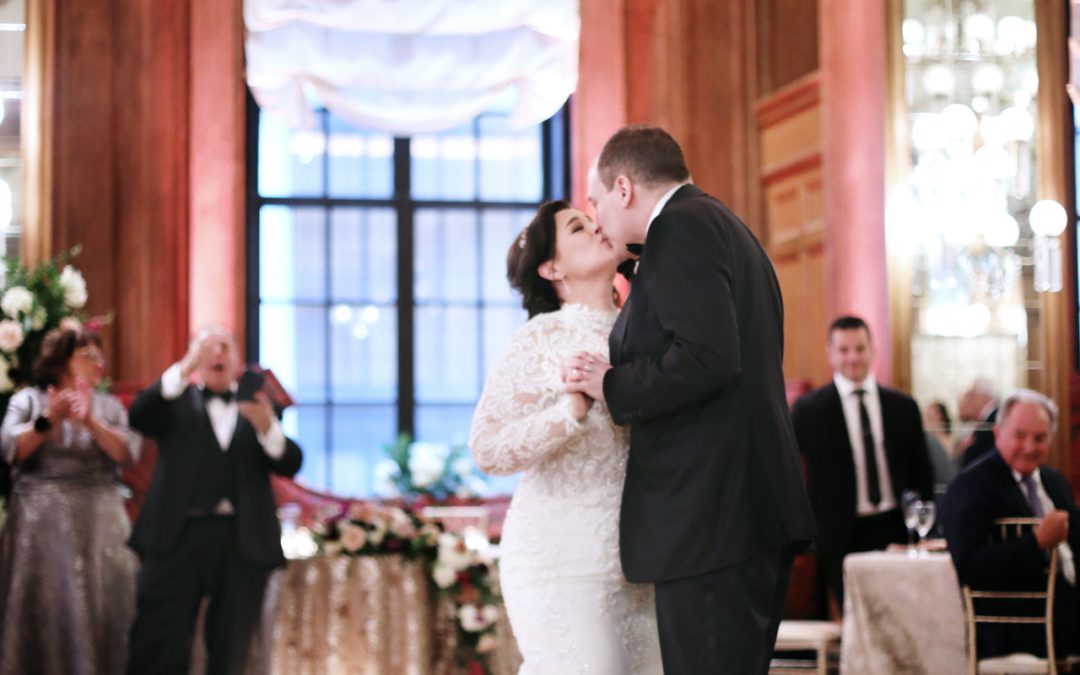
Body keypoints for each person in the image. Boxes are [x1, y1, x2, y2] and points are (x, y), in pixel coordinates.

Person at [567, 125, 815, 674]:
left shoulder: (679, 229)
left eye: (596, 200)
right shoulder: (721, 224)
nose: (596, 217)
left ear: (624, 188)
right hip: (740, 512)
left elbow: (707, 357)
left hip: (712, 519)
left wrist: (610, 383)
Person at [470, 200, 662, 673]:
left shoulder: (646, 330)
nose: (596, 228)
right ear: (551, 268)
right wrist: (569, 413)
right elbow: (487, 449)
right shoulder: (539, 339)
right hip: (561, 559)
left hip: (642, 560)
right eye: (578, 227)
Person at [125, 326, 303, 675]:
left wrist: (268, 428)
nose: (217, 352)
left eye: (225, 346)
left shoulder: (260, 406)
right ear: (194, 357)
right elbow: (139, 416)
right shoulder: (173, 400)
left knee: (232, 651)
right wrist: (184, 367)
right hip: (176, 536)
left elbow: (290, 463)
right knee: (158, 644)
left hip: (241, 541)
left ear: (237, 360)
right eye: (208, 346)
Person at [0, 326, 141, 674]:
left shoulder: (109, 405)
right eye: (88, 355)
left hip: (99, 524)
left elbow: (128, 453)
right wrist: (49, 420)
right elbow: (11, 450)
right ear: (61, 359)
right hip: (41, 525)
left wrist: (91, 421)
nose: (98, 363)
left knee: (105, 609)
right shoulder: (29, 400)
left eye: (100, 356)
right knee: (46, 610)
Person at [791, 316, 933, 608]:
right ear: (830, 353)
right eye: (844, 350)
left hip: (893, 526)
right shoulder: (808, 410)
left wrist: (923, 526)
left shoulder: (903, 407)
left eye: (859, 348)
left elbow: (922, 471)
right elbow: (791, 470)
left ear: (872, 350)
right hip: (838, 533)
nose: (852, 358)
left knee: (897, 610)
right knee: (852, 616)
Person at [941, 389, 1080, 658]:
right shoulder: (972, 486)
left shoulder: (1054, 481)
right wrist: (1036, 542)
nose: (1029, 447)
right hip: (1019, 626)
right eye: (1020, 436)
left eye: (1039, 438)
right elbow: (968, 567)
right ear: (998, 433)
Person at [958, 378, 999, 468]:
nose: (969, 401)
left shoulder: (994, 419)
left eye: (972, 396)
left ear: (984, 397)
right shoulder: (985, 421)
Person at [923, 400, 956, 500]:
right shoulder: (929, 442)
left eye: (930, 416)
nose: (926, 421)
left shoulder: (951, 442)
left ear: (941, 417)